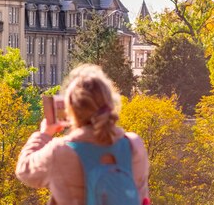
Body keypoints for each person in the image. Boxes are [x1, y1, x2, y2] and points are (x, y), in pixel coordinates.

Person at [16, 64, 150, 205]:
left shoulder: (61, 151)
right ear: (110, 103)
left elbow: (24, 170)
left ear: (71, 110)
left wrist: (45, 134)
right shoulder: (134, 145)